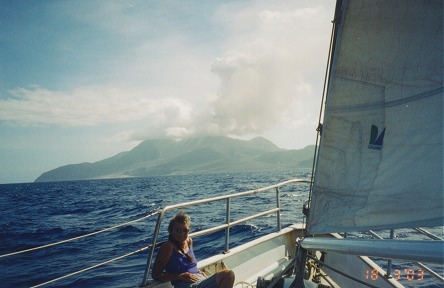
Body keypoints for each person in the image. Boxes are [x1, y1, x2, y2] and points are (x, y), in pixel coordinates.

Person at [152, 211, 235, 288]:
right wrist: (180, 276)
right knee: (228, 274)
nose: (182, 233)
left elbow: (190, 266)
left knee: (225, 277)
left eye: (185, 230)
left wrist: (199, 273)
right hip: (186, 285)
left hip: (199, 280)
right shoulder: (168, 246)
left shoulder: (188, 241)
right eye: (178, 230)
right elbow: (156, 274)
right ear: (171, 231)